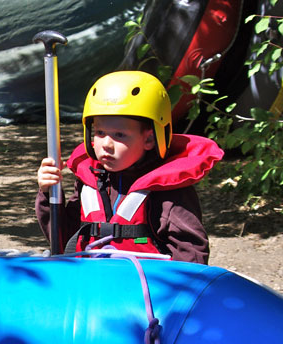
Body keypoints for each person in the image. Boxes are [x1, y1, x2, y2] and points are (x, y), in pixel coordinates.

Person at [36, 70, 223, 263]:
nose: (106, 144)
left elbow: (191, 256)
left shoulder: (169, 193)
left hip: (143, 287)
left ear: (149, 138)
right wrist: (49, 194)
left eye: (119, 135)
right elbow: (63, 239)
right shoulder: (89, 180)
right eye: (100, 132)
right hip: (90, 282)